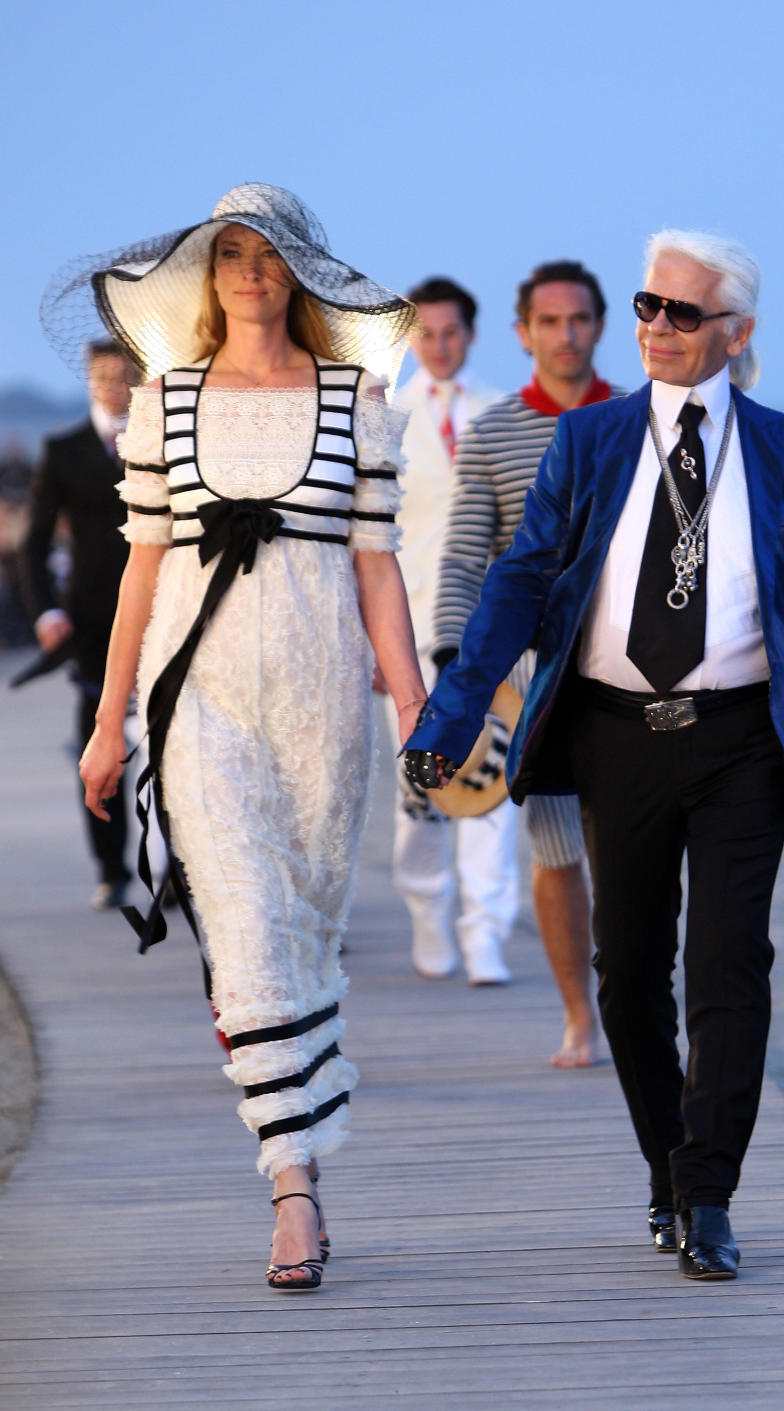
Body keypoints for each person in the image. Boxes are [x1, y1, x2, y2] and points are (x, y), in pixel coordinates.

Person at [405, 230, 784, 1281]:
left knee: (729, 964)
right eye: (648, 305)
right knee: (627, 973)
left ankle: (709, 1192)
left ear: (736, 333)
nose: (655, 326)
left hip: (739, 738)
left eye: (682, 313)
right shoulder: (593, 440)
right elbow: (519, 576)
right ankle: (666, 1165)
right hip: (614, 735)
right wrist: (451, 714)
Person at [48, 184, 424, 1293]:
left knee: (305, 928)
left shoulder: (359, 399)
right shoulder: (166, 399)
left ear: (301, 270)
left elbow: (378, 568)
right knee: (249, 932)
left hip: (320, 696)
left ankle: (301, 1142)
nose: (250, 270)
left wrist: (415, 704)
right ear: (207, 276)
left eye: (269, 253)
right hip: (195, 691)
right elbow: (140, 568)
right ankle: (294, 1187)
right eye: (230, 254)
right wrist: (112, 721)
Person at [431, 260, 622, 1066]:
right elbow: (466, 552)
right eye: (548, 321)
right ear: (523, 334)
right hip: (537, 677)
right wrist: (451, 658)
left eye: (578, 319)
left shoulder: (639, 417)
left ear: (600, 325)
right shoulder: (495, 432)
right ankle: (580, 1014)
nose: (565, 334)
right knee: (555, 850)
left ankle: (635, 1000)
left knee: (633, 852)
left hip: (633, 672)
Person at [390, 277, 517, 984]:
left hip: (489, 630)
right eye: (426, 333)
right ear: (410, 339)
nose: (439, 346)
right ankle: (427, 911)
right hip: (405, 630)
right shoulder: (385, 415)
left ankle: (486, 929)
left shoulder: (502, 413)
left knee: (492, 779)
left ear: (470, 335)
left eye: (450, 332)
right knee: (420, 785)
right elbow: (366, 540)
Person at [19, 343, 138, 908]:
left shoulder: (160, 441)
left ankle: (173, 867)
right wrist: (46, 610)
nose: (114, 385)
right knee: (100, 739)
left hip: (163, 610)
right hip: (90, 620)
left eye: (124, 375)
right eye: (103, 376)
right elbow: (35, 539)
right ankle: (112, 868)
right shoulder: (62, 449)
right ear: (88, 379)